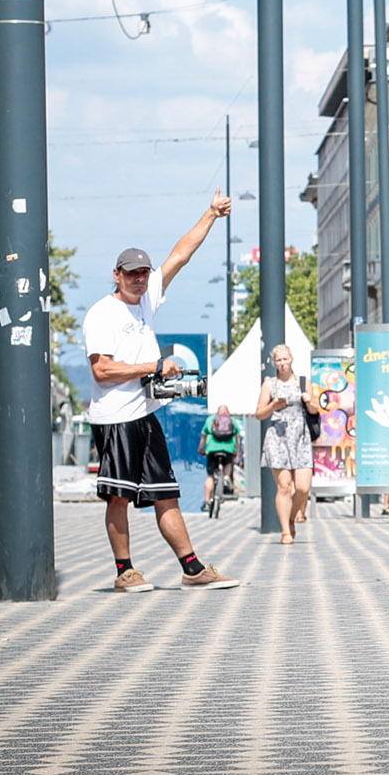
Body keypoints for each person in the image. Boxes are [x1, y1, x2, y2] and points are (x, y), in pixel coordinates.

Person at [86, 193, 242, 594]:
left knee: (166, 493)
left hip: (144, 415)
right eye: (131, 273)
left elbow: (180, 255)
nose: (139, 278)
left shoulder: (146, 301)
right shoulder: (102, 313)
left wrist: (210, 214)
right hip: (115, 417)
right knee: (118, 498)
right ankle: (125, 571)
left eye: (144, 273)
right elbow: (101, 370)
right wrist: (153, 367)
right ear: (117, 274)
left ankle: (191, 568)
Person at [255, 344, 315, 544]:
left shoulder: (303, 382)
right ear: (274, 363)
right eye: (278, 360)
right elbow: (259, 414)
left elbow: (315, 410)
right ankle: (285, 532)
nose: (282, 363)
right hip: (278, 437)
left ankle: (291, 518)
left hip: (301, 437)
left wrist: (309, 401)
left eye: (285, 359)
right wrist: (273, 405)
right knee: (284, 486)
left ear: (291, 359)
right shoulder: (269, 384)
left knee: (303, 487)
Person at [200, 405, 239, 511]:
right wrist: (236, 451)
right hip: (228, 449)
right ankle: (226, 478)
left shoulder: (211, 420)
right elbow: (236, 436)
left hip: (213, 449)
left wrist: (201, 448)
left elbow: (204, 435)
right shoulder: (232, 420)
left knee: (210, 476)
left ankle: (207, 502)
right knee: (228, 464)